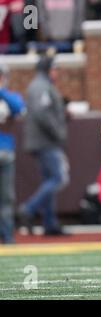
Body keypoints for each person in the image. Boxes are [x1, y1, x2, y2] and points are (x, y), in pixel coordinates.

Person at [19, 55, 70, 236]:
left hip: (41, 140)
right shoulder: (41, 86)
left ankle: (49, 223)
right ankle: (28, 208)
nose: (56, 72)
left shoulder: (40, 86)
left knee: (50, 179)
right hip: (45, 141)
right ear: (47, 69)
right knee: (58, 178)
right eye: (54, 69)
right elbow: (42, 113)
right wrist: (58, 131)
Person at [0, 64, 25, 243]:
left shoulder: (10, 96)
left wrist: (1, 91)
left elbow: (19, 108)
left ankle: (7, 235)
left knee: (7, 197)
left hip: (6, 151)